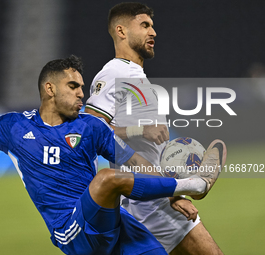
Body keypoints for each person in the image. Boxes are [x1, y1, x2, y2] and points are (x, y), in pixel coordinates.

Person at [0, 56, 226, 255]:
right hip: (71, 229)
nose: (82, 94)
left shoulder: (91, 126)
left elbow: (136, 163)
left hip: (111, 222)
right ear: (50, 89)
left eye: (82, 87)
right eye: (73, 87)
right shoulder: (14, 127)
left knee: (111, 180)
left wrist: (172, 196)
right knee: (107, 178)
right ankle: (196, 184)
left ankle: (184, 187)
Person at [85, 3, 224, 254]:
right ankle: (198, 185)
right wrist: (140, 131)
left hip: (153, 195)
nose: (154, 32)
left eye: (152, 25)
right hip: (149, 203)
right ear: (121, 31)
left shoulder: (135, 75)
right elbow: (89, 131)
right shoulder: (114, 72)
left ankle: (191, 185)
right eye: (145, 25)